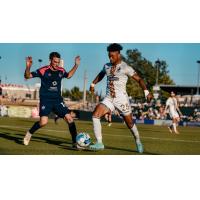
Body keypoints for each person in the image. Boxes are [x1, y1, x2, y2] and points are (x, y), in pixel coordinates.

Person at [89, 43, 152, 153]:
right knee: (95, 115)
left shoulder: (125, 67)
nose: (110, 58)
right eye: (109, 56)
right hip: (109, 98)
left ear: (118, 54)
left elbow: (139, 80)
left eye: (112, 56)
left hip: (121, 99)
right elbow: (101, 74)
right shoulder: (107, 66)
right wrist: (93, 84)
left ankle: (137, 141)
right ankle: (99, 143)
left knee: (130, 123)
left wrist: (146, 91)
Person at [23, 52, 81, 148]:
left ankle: (75, 142)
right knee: (43, 122)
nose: (56, 64)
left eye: (58, 62)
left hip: (58, 100)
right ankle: (29, 133)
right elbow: (27, 76)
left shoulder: (61, 70)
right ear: (50, 60)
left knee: (70, 119)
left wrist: (76, 65)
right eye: (54, 62)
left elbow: (69, 75)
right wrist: (28, 66)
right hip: (46, 100)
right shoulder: (43, 70)